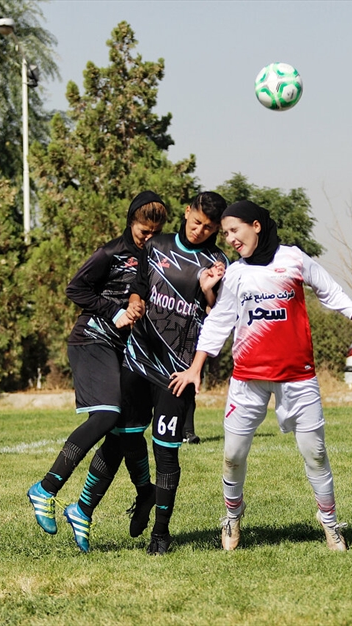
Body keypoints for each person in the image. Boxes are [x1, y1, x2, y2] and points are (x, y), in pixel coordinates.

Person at [170, 200, 352, 551]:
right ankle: (232, 516)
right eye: (225, 233)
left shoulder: (294, 259)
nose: (229, 239)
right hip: (247, 378)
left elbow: (330, 291)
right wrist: (196, 367)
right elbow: (218, 322)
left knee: (315, 454)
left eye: (234, 230)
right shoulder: (237, 274)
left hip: (298, 377)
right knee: (232, 455)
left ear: (256, 225)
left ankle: (330, 522)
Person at [26, 191, 168, 552]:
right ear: (130, 222)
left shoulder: (160, 259)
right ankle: (47, 488)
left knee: (127, 431)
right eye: (142, 230)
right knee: (107, 415)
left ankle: (88, 510)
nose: (147, 237)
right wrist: (112, 310)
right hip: (92, 340)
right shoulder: (110, 253)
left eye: (154, 232)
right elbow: (76, 288)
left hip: (130, 351)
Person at [121, 191, 229, 555]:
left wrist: (209, 292)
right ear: (186, 213)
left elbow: (218, 319)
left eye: (209, 227)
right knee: (127, 437)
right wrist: (135, 301)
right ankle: (143, 494)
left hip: (177, 372)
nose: (200, 230)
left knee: (166, 452)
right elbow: (138, 286)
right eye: (196, 222)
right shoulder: (157, 245)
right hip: (137, 358)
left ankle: (161, 534)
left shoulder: (217, 262)